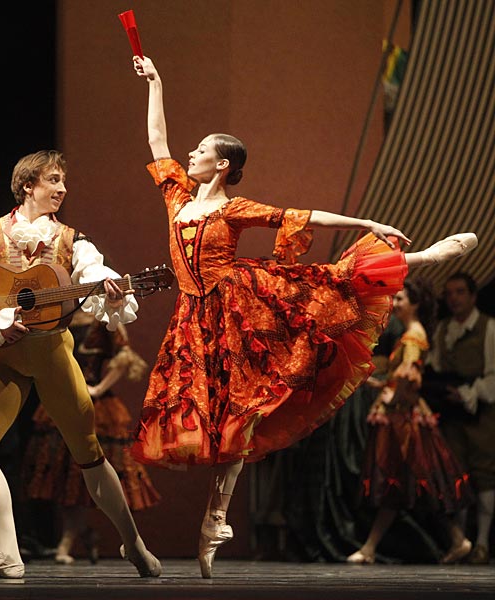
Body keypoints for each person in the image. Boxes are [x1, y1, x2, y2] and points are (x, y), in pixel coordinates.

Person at [129, 55, 478, 578]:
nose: (190, 154)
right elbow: (157, 140)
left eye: (201, 150)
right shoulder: (177, 197)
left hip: (240, 308)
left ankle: (422, 258)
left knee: (327, 289)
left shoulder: (234, 208)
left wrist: (366, 220)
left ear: (221, 165)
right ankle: (214, 523)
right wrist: (156, 83)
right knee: (216, 416)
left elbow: (302, 215)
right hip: (194, 321)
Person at [0, 149, 161, 579]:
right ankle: (8, 553)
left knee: (88, 452)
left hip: (53, 353)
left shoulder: (74, 241)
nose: (62, 188)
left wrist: (110, 291)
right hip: (8, 356)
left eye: (63, 181)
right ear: (28, 186)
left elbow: (94, 274)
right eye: (53, 180)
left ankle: (133, 542)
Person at [346, 277, 474, 564]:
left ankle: (372, 547)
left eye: (401, 299)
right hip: (403, 415)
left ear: (414, 304)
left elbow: (409, 374)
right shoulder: (412, 333)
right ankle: (371, 547)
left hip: (404, 418)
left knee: (411, 478)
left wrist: (393, 397)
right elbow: (402, 374)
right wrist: (382, 384)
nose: (395, 303)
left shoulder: (413, 335)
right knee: (403, 481)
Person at [22, 310, 161, 565]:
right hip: (60, 400)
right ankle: (82, 534)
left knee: (83, 472)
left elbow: (125, 357)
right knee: (63, 476)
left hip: (94, 405)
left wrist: (97, 388)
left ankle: (71, 540)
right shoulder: (58, 317)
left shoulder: (102, 320)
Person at [423, 271, 495, 565]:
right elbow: (435, 366)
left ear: (473, 296)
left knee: (484, 473)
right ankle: (461, 541)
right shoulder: (443, 329)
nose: (454, 298)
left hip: (481, 411)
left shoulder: (488, 328)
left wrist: (469, 393)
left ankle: (482, 543)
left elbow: (493, 374)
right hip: (452, 413)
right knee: (457, 476)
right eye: (449, 293)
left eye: (460, 292)